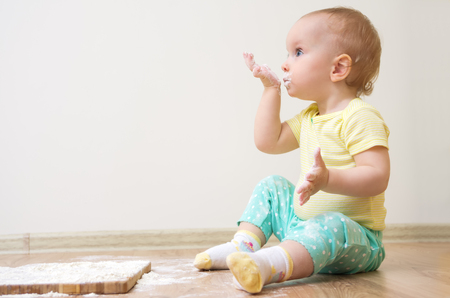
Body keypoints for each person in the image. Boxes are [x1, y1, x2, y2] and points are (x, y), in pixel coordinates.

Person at [193, 6, 390, 294]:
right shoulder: (310, 117)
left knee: (332, 223)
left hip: (354, 239)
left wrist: (328, 180)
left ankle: (268, 265)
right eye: (287, 54)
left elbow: (377, 176)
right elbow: (267, 141)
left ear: (337, 68)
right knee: (272, 186)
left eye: (297, 52)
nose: (286, 64)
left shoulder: (360, 117)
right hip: (303, 229)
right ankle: (243, 247)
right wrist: (271, 90)